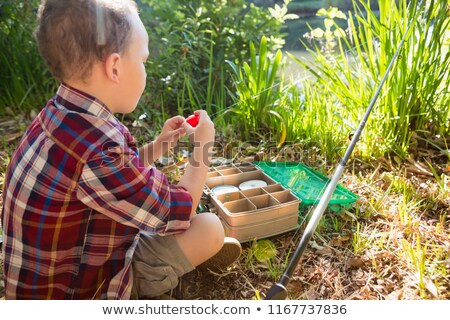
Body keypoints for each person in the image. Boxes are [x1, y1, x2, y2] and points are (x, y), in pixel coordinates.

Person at [1, 0, 241, 300]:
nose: (145, 69)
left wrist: (160, 145)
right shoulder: (99, 151)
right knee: (209, 227)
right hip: (82, 296)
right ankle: (155, 282)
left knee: (194, 228)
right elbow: (179, 208)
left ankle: (177, 260)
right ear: (114, 67)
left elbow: (110, 179)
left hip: (53, 278)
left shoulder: (61, 115)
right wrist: (203, 147)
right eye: (143, 61)